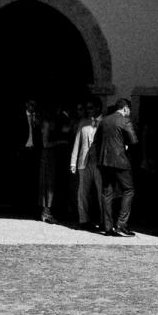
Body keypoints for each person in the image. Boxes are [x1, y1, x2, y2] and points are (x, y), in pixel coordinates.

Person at [95, 97, 138, 237]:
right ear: (125, 108)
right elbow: (133, 141)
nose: (129, 112)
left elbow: (97, 141)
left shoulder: (104, 120)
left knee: (107, 193)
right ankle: (121, 225)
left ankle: (108, 227)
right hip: (120, 162)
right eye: (129, 110)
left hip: (104, 161)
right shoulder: (125, 120)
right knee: (129, 190)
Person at [69, 99, 102, 230]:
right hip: (84, 162)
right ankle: (84, 220)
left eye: (90, 108)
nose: (88, 111)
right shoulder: (84, 123)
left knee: (101, 193)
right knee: (82, 192)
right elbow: (77, 142)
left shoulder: (105, 122)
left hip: (99, 163)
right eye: (87, 108)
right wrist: (73, 161)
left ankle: (104, 220)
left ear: (98, 108)